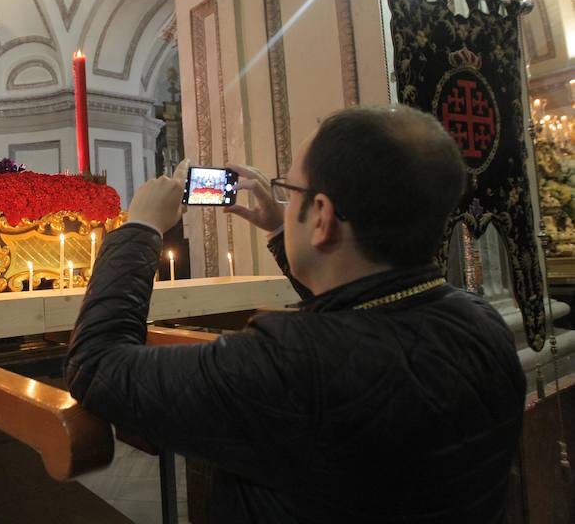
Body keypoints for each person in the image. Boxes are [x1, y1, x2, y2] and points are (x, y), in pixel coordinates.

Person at [65, 105, 525, 523]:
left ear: (322, 216)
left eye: (290, 188)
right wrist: (286, 230)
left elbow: (98, 367)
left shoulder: (290, 363)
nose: (283, 197)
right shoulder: (482, 321)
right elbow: (354, 315)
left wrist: (140, 228)